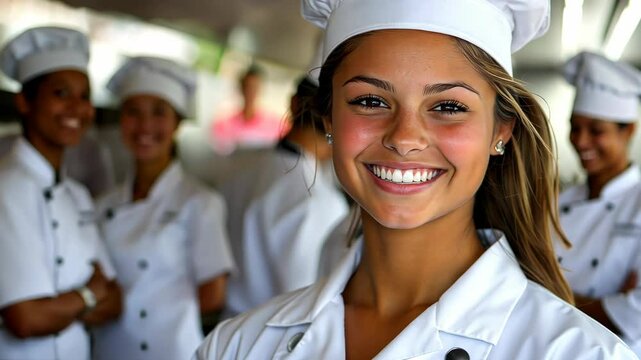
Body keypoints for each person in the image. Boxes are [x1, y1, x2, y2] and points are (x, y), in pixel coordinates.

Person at [194, 0, 639, 359]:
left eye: (448, 106)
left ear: (500, 131)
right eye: (369, 100)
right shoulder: (237, 346)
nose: (405, 138)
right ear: (328, 117)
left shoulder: (579, 352)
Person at [92, 56, 235, 360]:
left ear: (177, 123)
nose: (145, 125)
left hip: (170, 350)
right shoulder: (102, 205)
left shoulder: (200, 201)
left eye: (159, 112)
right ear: (121, 121)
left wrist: (146, 311)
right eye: (133, 112)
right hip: (109, 349)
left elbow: (213, 295)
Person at [0, 26, 122, 360]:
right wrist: (87, 295)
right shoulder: (6, 187)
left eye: (84, 96)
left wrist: (59, 308)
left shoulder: (78, 196)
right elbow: (24, 319)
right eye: (61, 93)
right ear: (24, 101)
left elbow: (115, 301)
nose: (77, 109)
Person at [218, 76, 349, 319]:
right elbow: (305, 305)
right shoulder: (319, 201)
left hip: (228, 330)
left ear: (294, 103)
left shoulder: (238, 168)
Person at [555, 51, 641, 356]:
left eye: (596, 130)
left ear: (629, 129)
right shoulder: (557, 201)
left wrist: (552, 300)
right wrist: (605, 305)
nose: (580, 141)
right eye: (575, 127)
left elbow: (635, 313)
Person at [212, 65, 289, 154]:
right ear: (241, 88)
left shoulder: (277, 124)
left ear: (260, 89)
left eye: (254, 87)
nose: (250, 92)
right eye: (247, 86)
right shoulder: (224, 124)